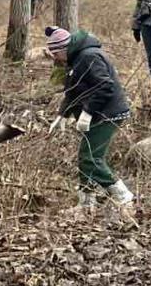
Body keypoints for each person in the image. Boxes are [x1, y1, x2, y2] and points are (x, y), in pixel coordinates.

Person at [45, 26, 134, 220]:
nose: (56, 59)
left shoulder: (88, 57)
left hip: (108, 114)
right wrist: (62, 115)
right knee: (86, 157)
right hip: (99, 114)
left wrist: (87, 112)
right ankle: (86, 203)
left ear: (62, 49)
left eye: (55, 54)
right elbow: (74, 92)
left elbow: (105, 86)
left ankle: (124, 197)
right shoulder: (76, 59)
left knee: (90, 158)